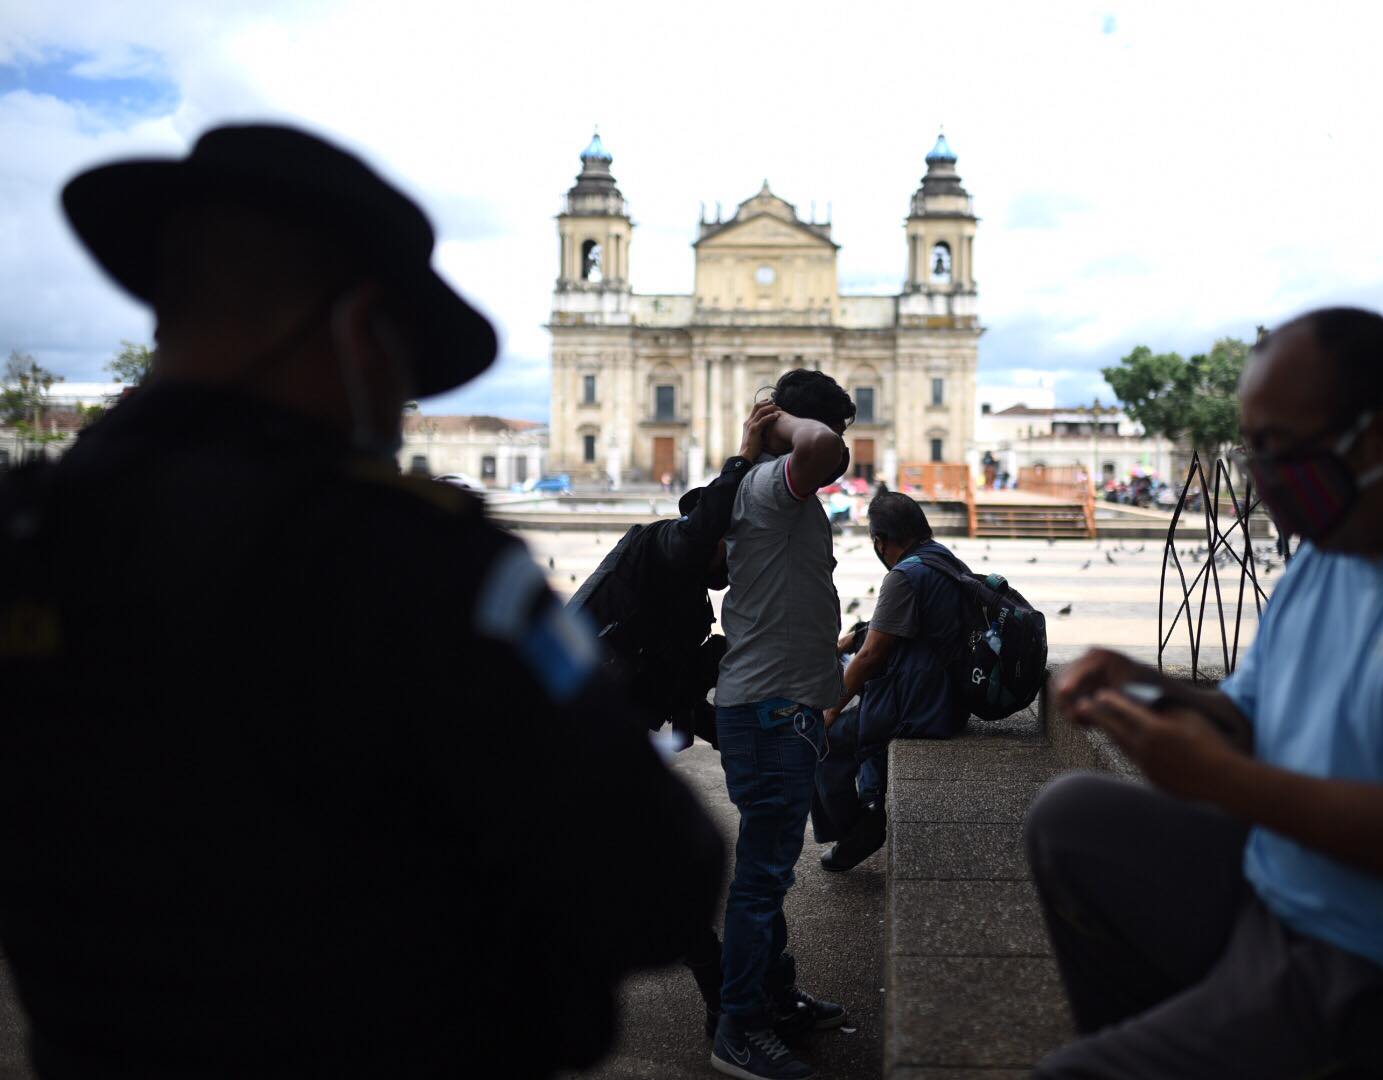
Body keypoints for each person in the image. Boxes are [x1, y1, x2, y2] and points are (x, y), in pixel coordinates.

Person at [0, 123, 723, 1079]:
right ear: (356, 333)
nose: (401, 404)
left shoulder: (28, 539)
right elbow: (656, 880)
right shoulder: (414, 561)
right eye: (406, 361)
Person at [1028, 307, 1383, 1079]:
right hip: (1291, 895)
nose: (1261, 476)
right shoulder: (1334, 549)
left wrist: (1223, 781)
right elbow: (1249, 717)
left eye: (1277, 447)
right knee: (1069, 820)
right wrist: (1146, 685)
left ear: (1377, 440)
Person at [568, 399, 779, 1037]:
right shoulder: (663, 543)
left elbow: (683, 695)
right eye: (729, 552)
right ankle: (724, 1005)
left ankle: (733, 996)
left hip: (608, 739)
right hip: (573, 739)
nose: (733, 567)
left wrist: (742, 739)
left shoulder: (688, 604)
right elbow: (701, 532)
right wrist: (744, 458)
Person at [709, 370, 853, 1080]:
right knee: (762, 881)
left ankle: (773, 996)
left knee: (769, 877)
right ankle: (740, 1027)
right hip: (769, 716)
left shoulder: (762, 488)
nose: (842, 448)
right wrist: (781, 423)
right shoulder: (774, 483)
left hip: (776, 709)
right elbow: (824, 444)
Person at [814, 492, 971, 871]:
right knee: (853, 723)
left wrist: (831, 710)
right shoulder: (943, 559)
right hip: (946, 696)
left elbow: (871, 656)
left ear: (880, 541)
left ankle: (861, 828)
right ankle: (865, 816)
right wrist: (851, 639)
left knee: (822, 742)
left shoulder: (904, 576)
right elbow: (898, 629)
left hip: (919, 706)